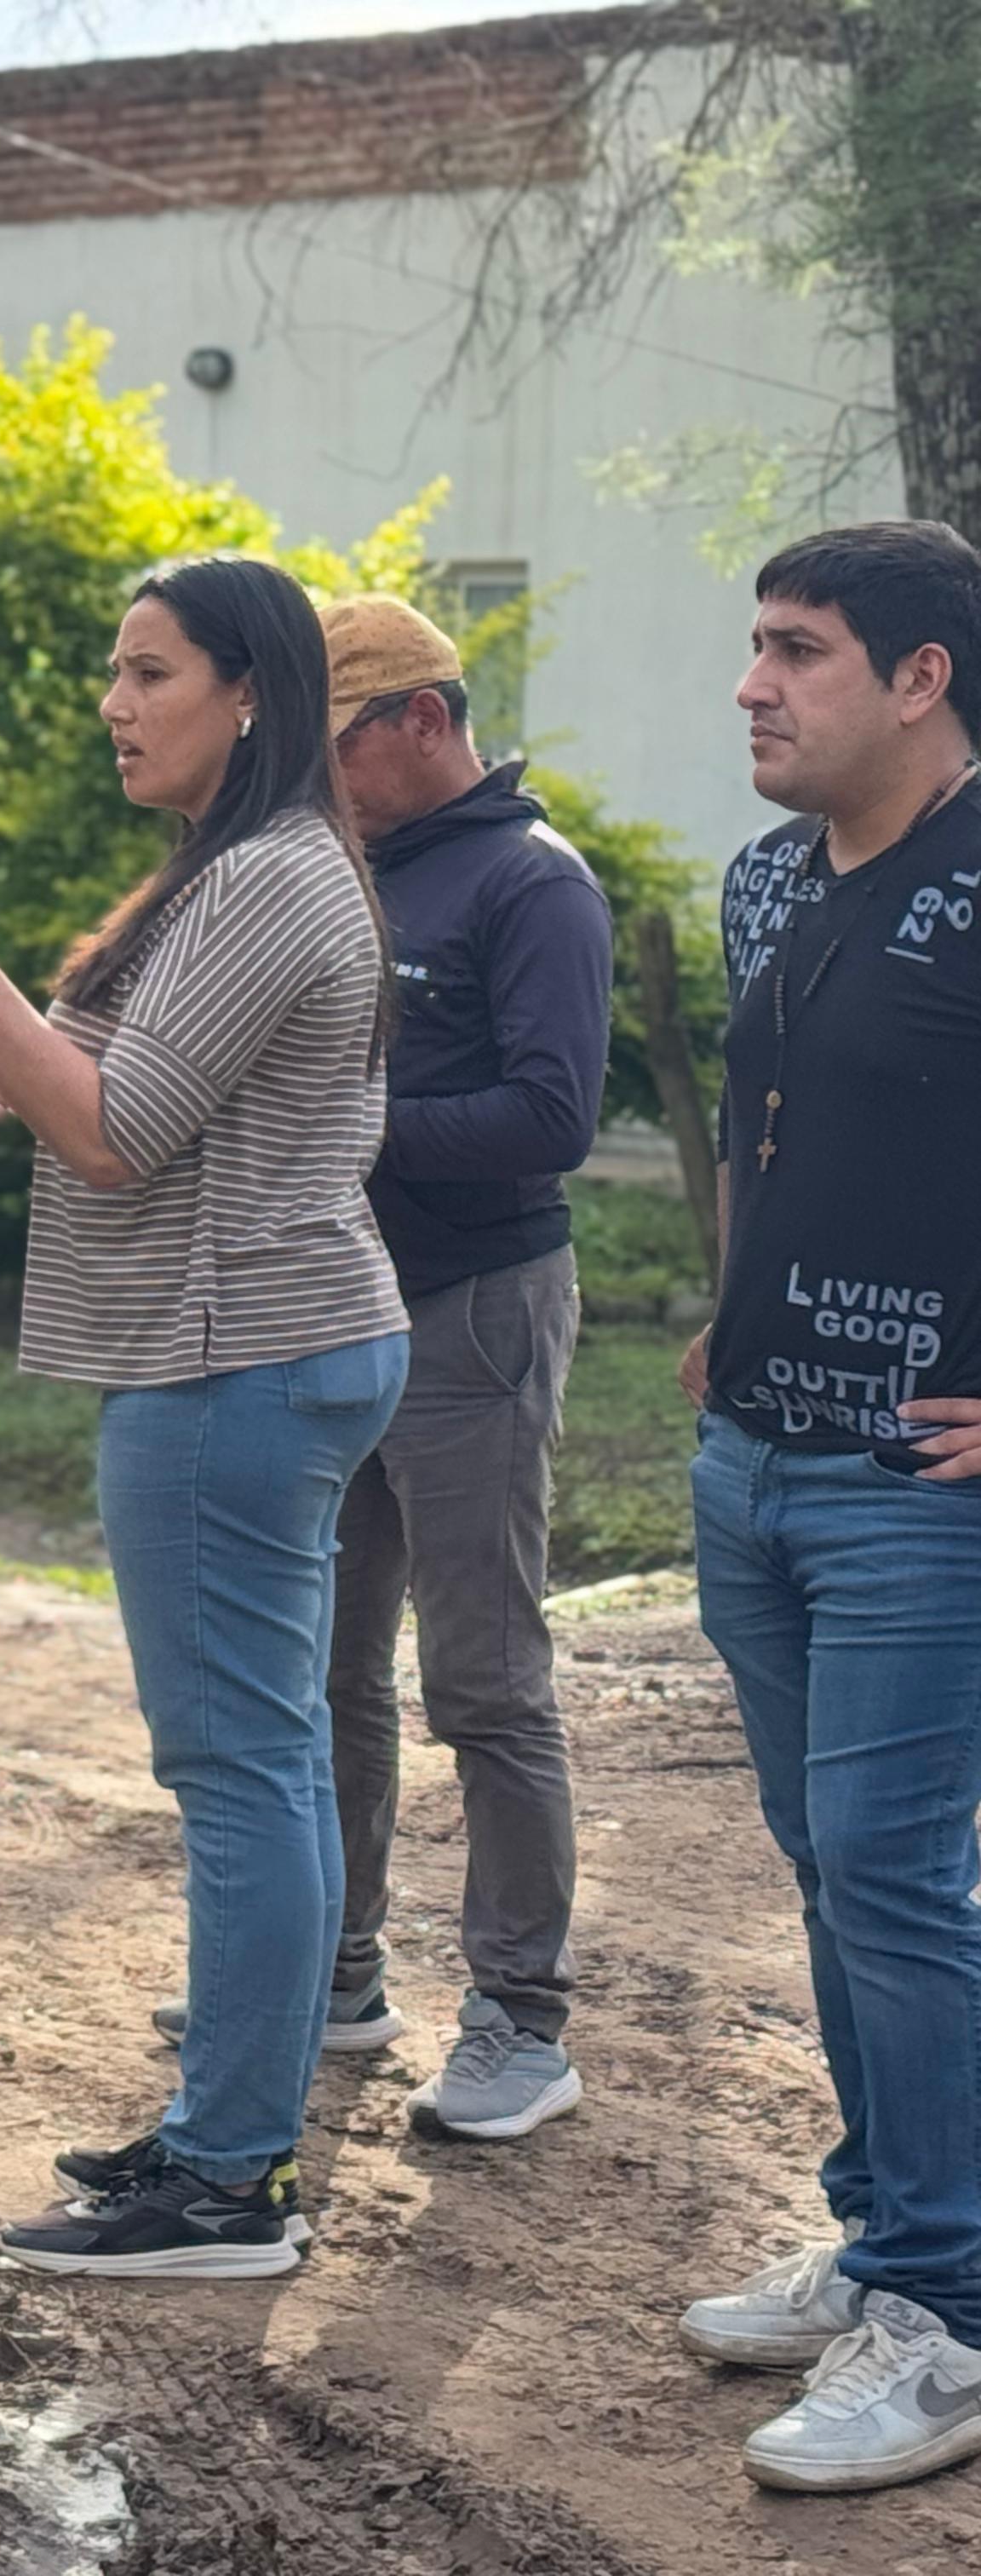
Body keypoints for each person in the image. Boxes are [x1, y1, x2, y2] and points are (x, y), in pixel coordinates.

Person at [0, 555, 404, 2278]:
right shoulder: (238, 868)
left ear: (251, 692)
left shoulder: (275, 879)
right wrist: (3, 1039)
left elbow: (120, 1130)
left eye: (151, 673)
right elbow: (122, 1087)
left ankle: (228, 2185)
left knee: (244, 1767)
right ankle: (223, 2135)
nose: (116, 704)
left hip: (237, 1361)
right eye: (113, 673)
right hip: (245, 1351)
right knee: (249, 1761)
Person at [146, 596, 611, 2142]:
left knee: (481, 1677)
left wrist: (331, 1127)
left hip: (473, 1309)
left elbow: (553, 1120)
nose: (321, 773)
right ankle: (336, 1973)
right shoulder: (336, 867)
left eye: (338, 740)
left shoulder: (531, 885)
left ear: (424, 718)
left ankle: (519, 2017)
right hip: (337, 1322)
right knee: (326, 1671)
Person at [671, 520, 981, 2495]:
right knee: (823, 1858)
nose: (753, 686)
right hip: (754, 1456)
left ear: (924, 676)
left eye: (797, 651)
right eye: (754, 646)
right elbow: (786, 1131)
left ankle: (946, 2315)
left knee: (888, 1867)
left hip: (913, 1485)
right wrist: (729, 1307)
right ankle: (887, 2232)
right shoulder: (774, 877)